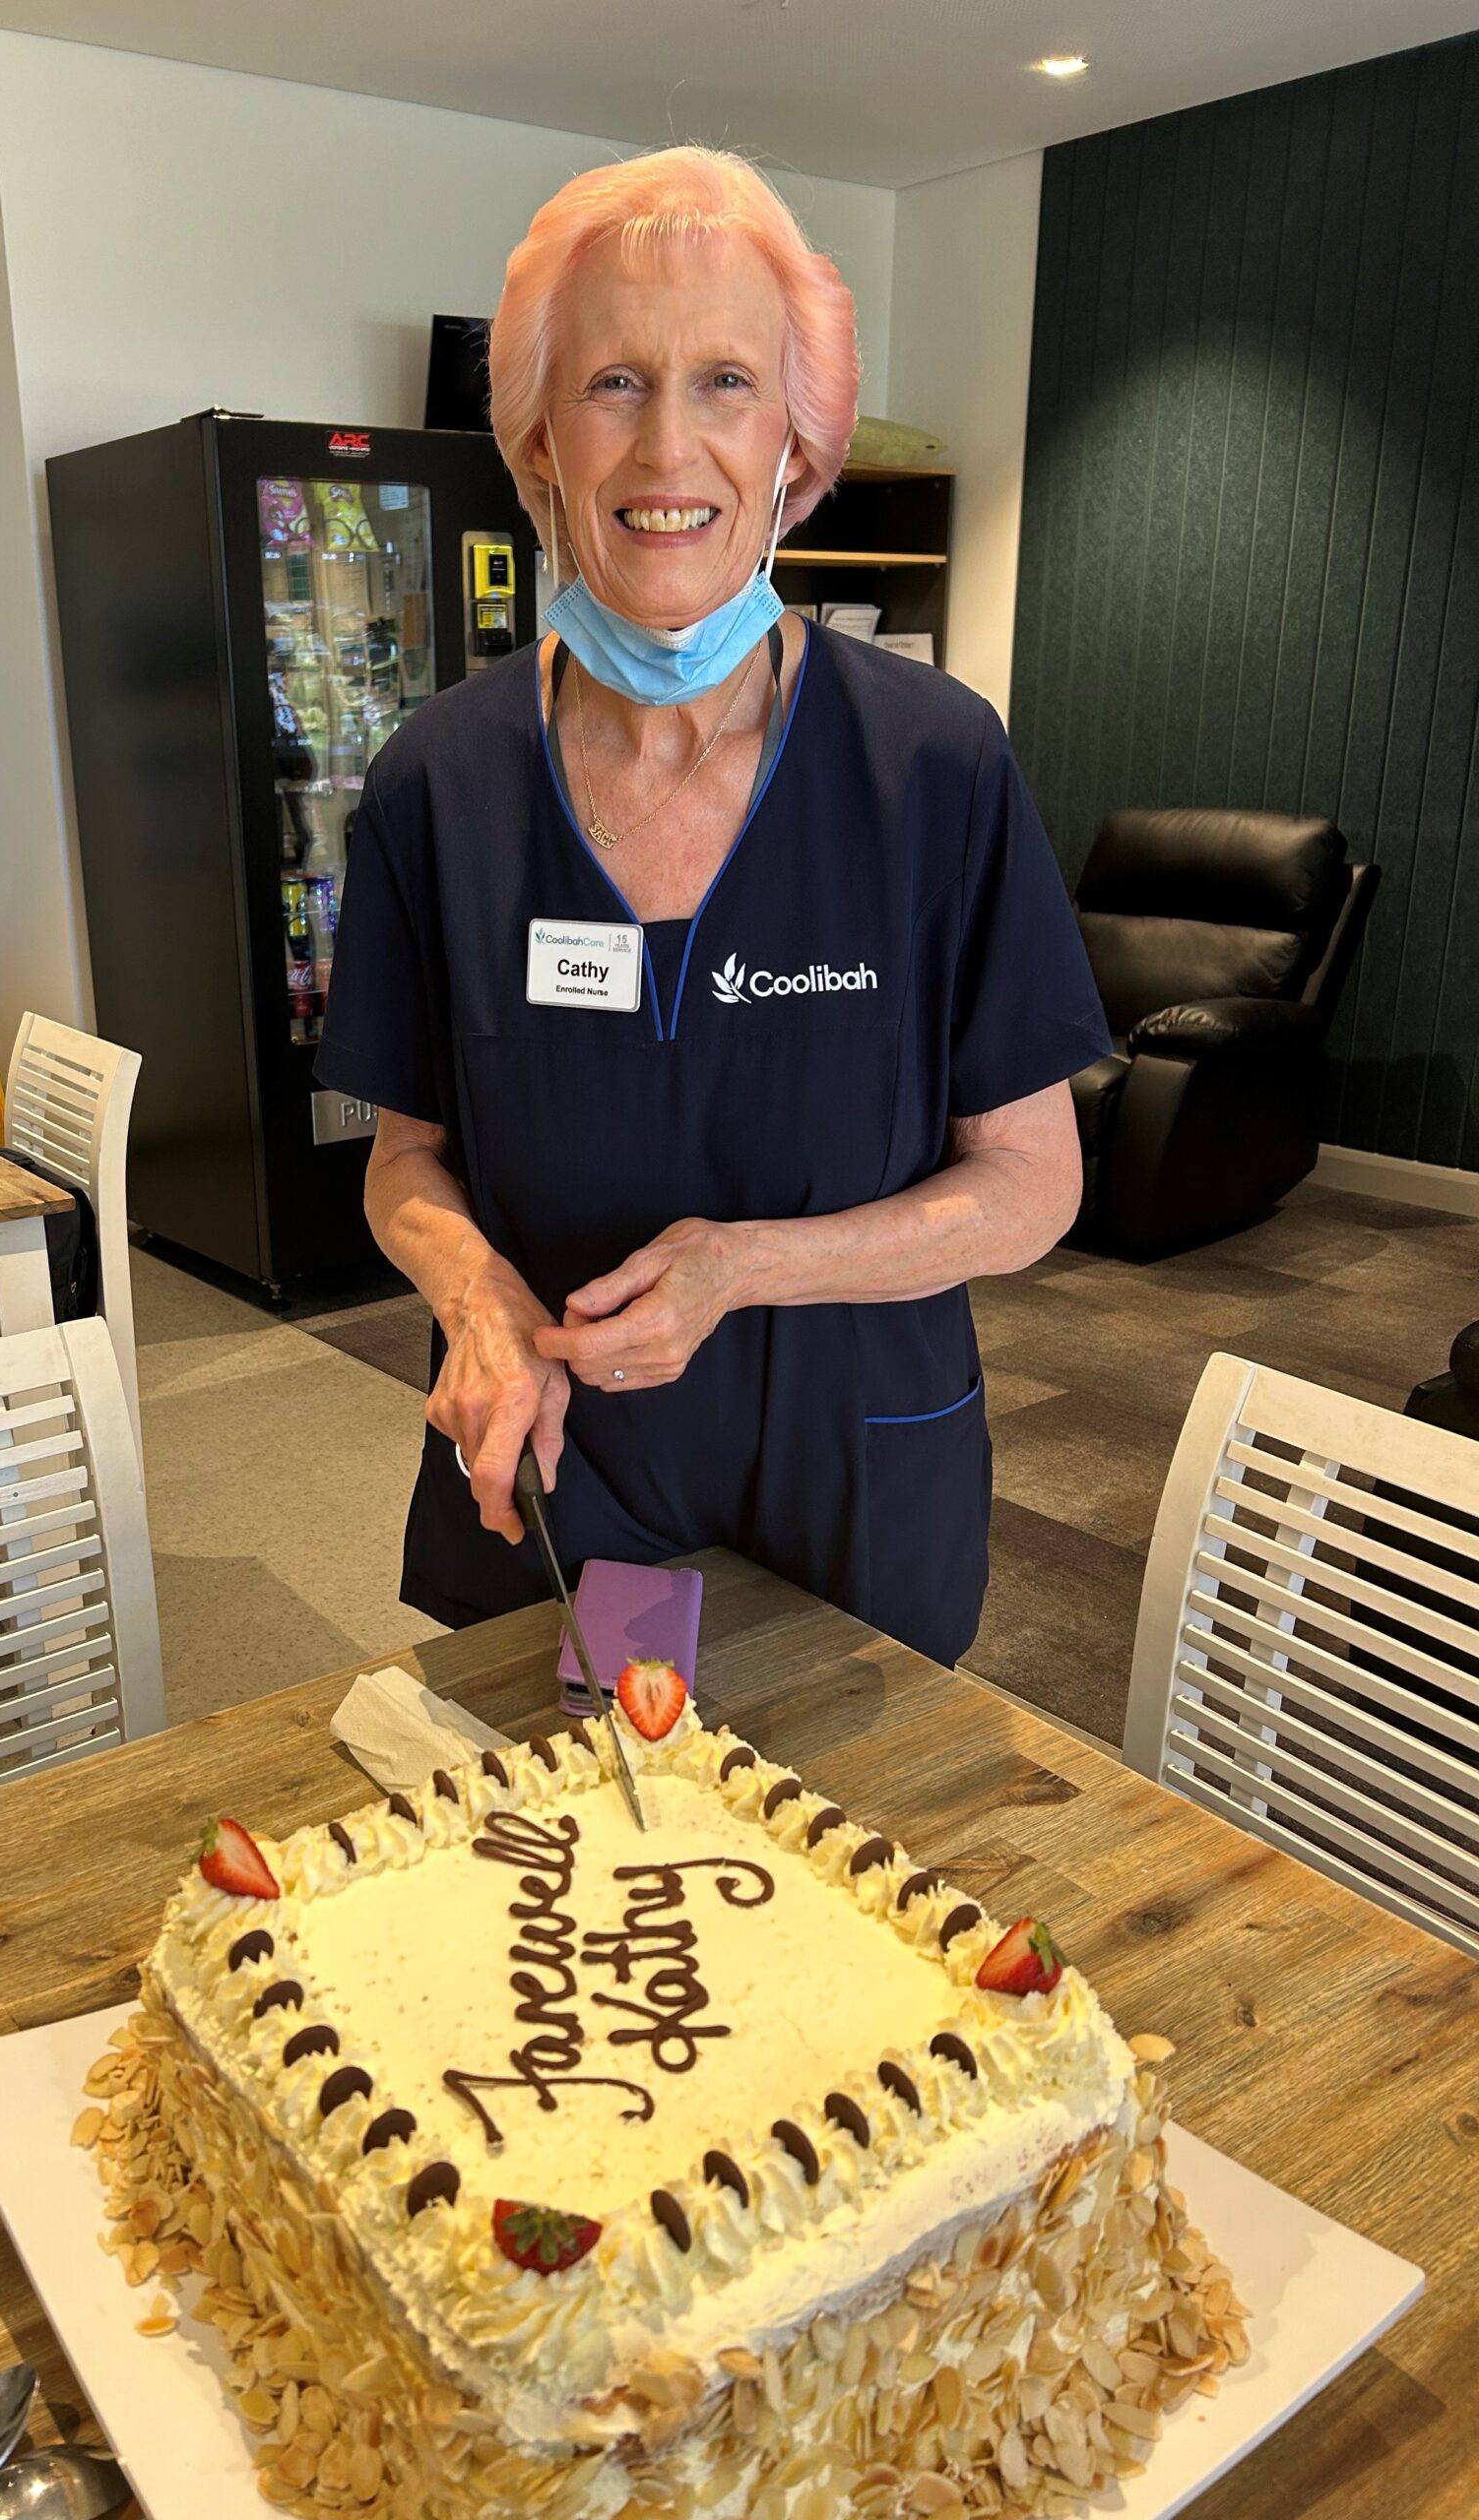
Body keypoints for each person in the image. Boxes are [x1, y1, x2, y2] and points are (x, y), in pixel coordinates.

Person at [314, 146, 1110, 1668]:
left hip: (854, 1477)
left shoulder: (933, 767)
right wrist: (473, 1296)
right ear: (540, 442)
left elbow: (1032, 1183)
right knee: (560, 1821)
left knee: (858, 1820)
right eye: (613, 382)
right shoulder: (440, 782)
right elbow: (405, 1159)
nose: (666, 447)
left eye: (726, 382)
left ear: (796, 446)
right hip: (562, 1474)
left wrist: (746, 1267)